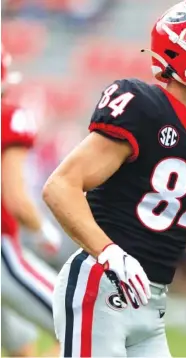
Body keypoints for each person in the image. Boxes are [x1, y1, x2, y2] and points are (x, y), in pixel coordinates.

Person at [42, 1, 186, 356]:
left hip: (153, 306)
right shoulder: (142, 105)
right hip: (101, 286)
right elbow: (60, 186)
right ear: (177, 47)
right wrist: (109, 253)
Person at [1, 45, 62, 356]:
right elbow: (14, 196)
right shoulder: (8, 116)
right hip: (2, 253)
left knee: (21, 349)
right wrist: (42, 230)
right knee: (85, 322)